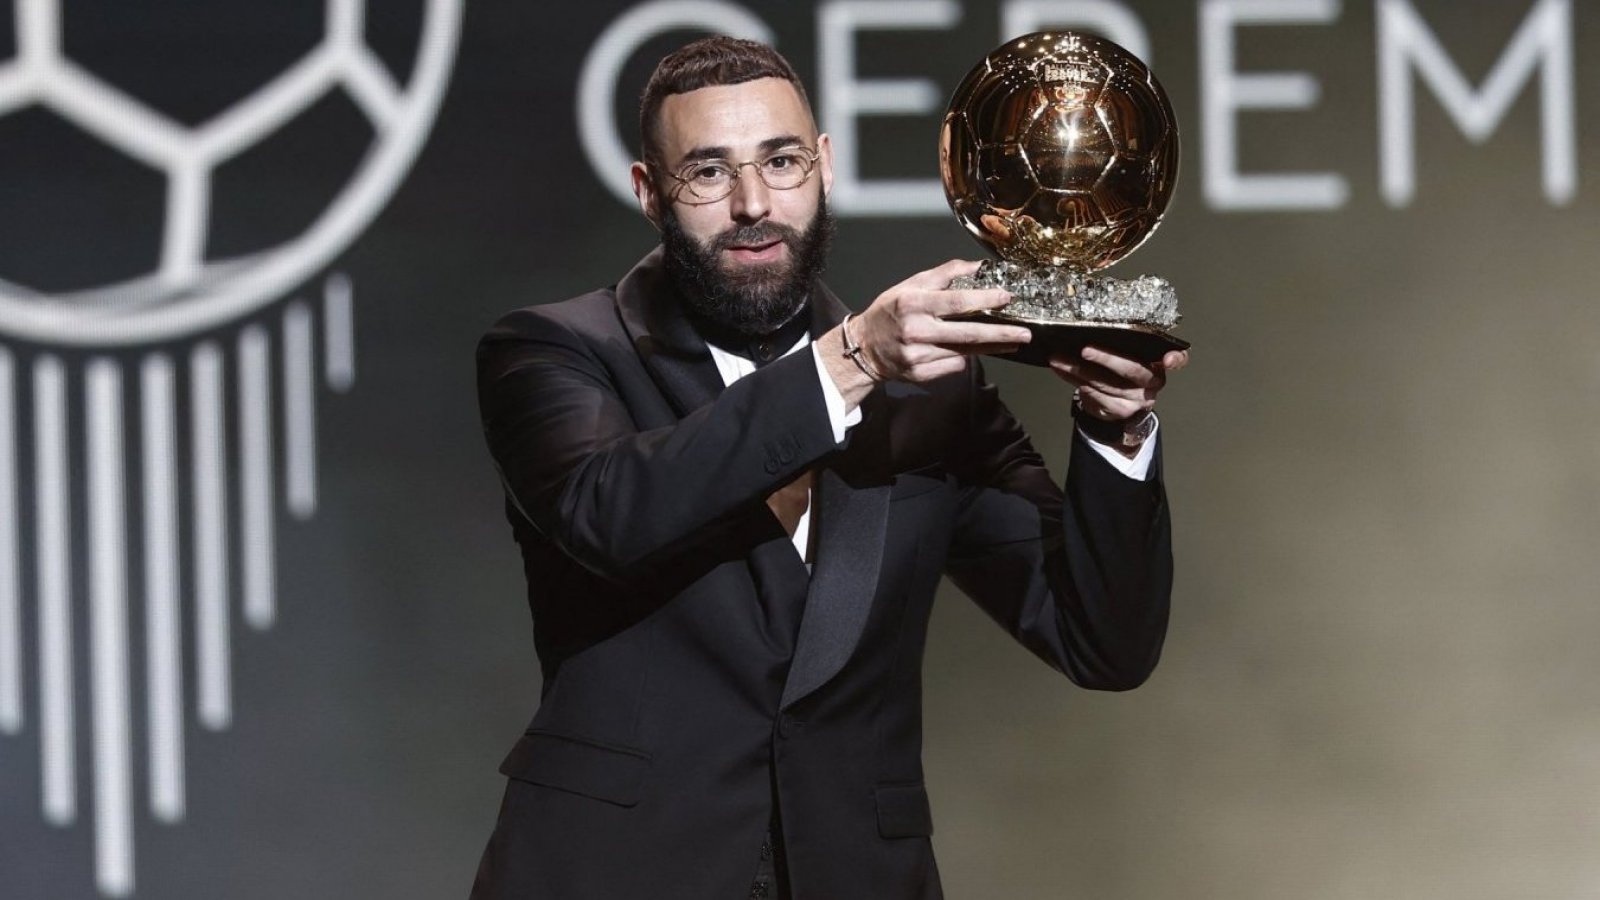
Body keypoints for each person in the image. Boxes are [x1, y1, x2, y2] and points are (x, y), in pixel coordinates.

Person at [471, 35, 1186, 900]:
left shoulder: (935, 396)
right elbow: (609, 514)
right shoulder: (555, 351)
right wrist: (850, 362)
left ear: (825, 166)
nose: (753, 204)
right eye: (708, 172)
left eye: (781, 163)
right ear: (649, 192)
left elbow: (1100, 642)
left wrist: (1115, 427)